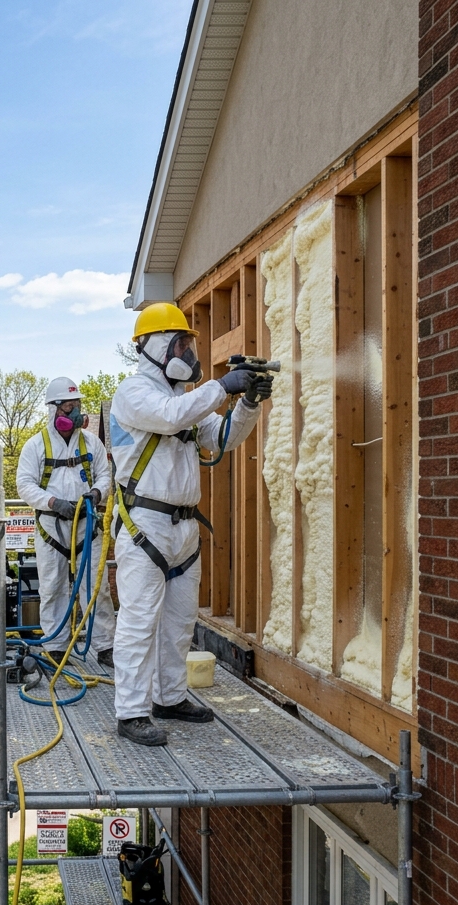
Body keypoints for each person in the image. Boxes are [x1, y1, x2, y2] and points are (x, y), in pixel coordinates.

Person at [110, 303, 271, 745]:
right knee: (140, 623)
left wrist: (249, 404)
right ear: (155, 347)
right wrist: (221, 385)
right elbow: (168, 417)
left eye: (189, 343)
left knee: (180, 622)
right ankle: (131, 712)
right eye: (181, 343)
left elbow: (224, 438)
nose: (188, 350)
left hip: (182, 530)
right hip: (146, 525)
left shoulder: (185, 399)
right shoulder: (134, 393)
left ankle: (169, 696)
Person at [16, 377, 116, 667]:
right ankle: (57, 646)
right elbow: (24, 484)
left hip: (87, 524)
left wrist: (97, 493)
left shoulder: (91, 443)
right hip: (52, 528)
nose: (75, 413)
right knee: (53, 587)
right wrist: (53, 503)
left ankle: (104, 645)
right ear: (55, 410)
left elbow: (105, 475)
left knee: (95, 588)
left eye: (77, 407)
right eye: (69, 407)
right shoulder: (36, 446)